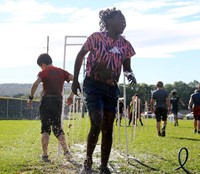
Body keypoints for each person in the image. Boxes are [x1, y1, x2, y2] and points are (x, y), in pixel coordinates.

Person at [71, 7, 137, 174]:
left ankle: (103, 166)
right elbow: (80, 56)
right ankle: (88, 160)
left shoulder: (125, 44)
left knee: (108, 127)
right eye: (120, 19)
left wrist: (130, 74)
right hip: (93, 85)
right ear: (108, 21)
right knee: (97, 121)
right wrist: (75, 80)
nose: (124, 23)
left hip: (110, 87)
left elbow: (127, 67)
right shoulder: (95, 37)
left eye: (125, 20)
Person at [27, 53, 74, 162]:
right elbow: (75, 80)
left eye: (40, 66)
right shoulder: (61, 71)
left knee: (45, 128)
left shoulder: (44, 72)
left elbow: (35, 84)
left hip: (47, 101)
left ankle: (45, 155)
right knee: (57, 127)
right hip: (58, 101)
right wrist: (71, 95)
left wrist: (30, 98)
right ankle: (66, 151)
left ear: (43, 64)